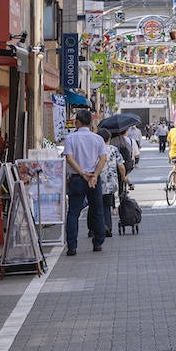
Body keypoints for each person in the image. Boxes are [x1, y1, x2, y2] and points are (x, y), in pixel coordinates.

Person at [62, 109, 107, 255]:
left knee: (73, 212)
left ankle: (72, 246)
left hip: (77, 178)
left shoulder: (71, 138)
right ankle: (98, 242)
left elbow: (69, 158)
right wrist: (94, 175)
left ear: (78, 122)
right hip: (94, 179)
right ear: (90, 122)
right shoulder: (98, 139)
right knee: (97, 210)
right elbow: (103, 159)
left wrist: (82, 173)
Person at [93, 128, 124, 241]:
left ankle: (93, 228)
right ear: (109, 139)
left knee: (95, 206)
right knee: (106, 205)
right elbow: (121, 165)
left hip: (95, 180)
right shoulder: (113, 149)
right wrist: (124, 177)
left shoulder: (94, 149)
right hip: (110, 182)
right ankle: (107, 228)